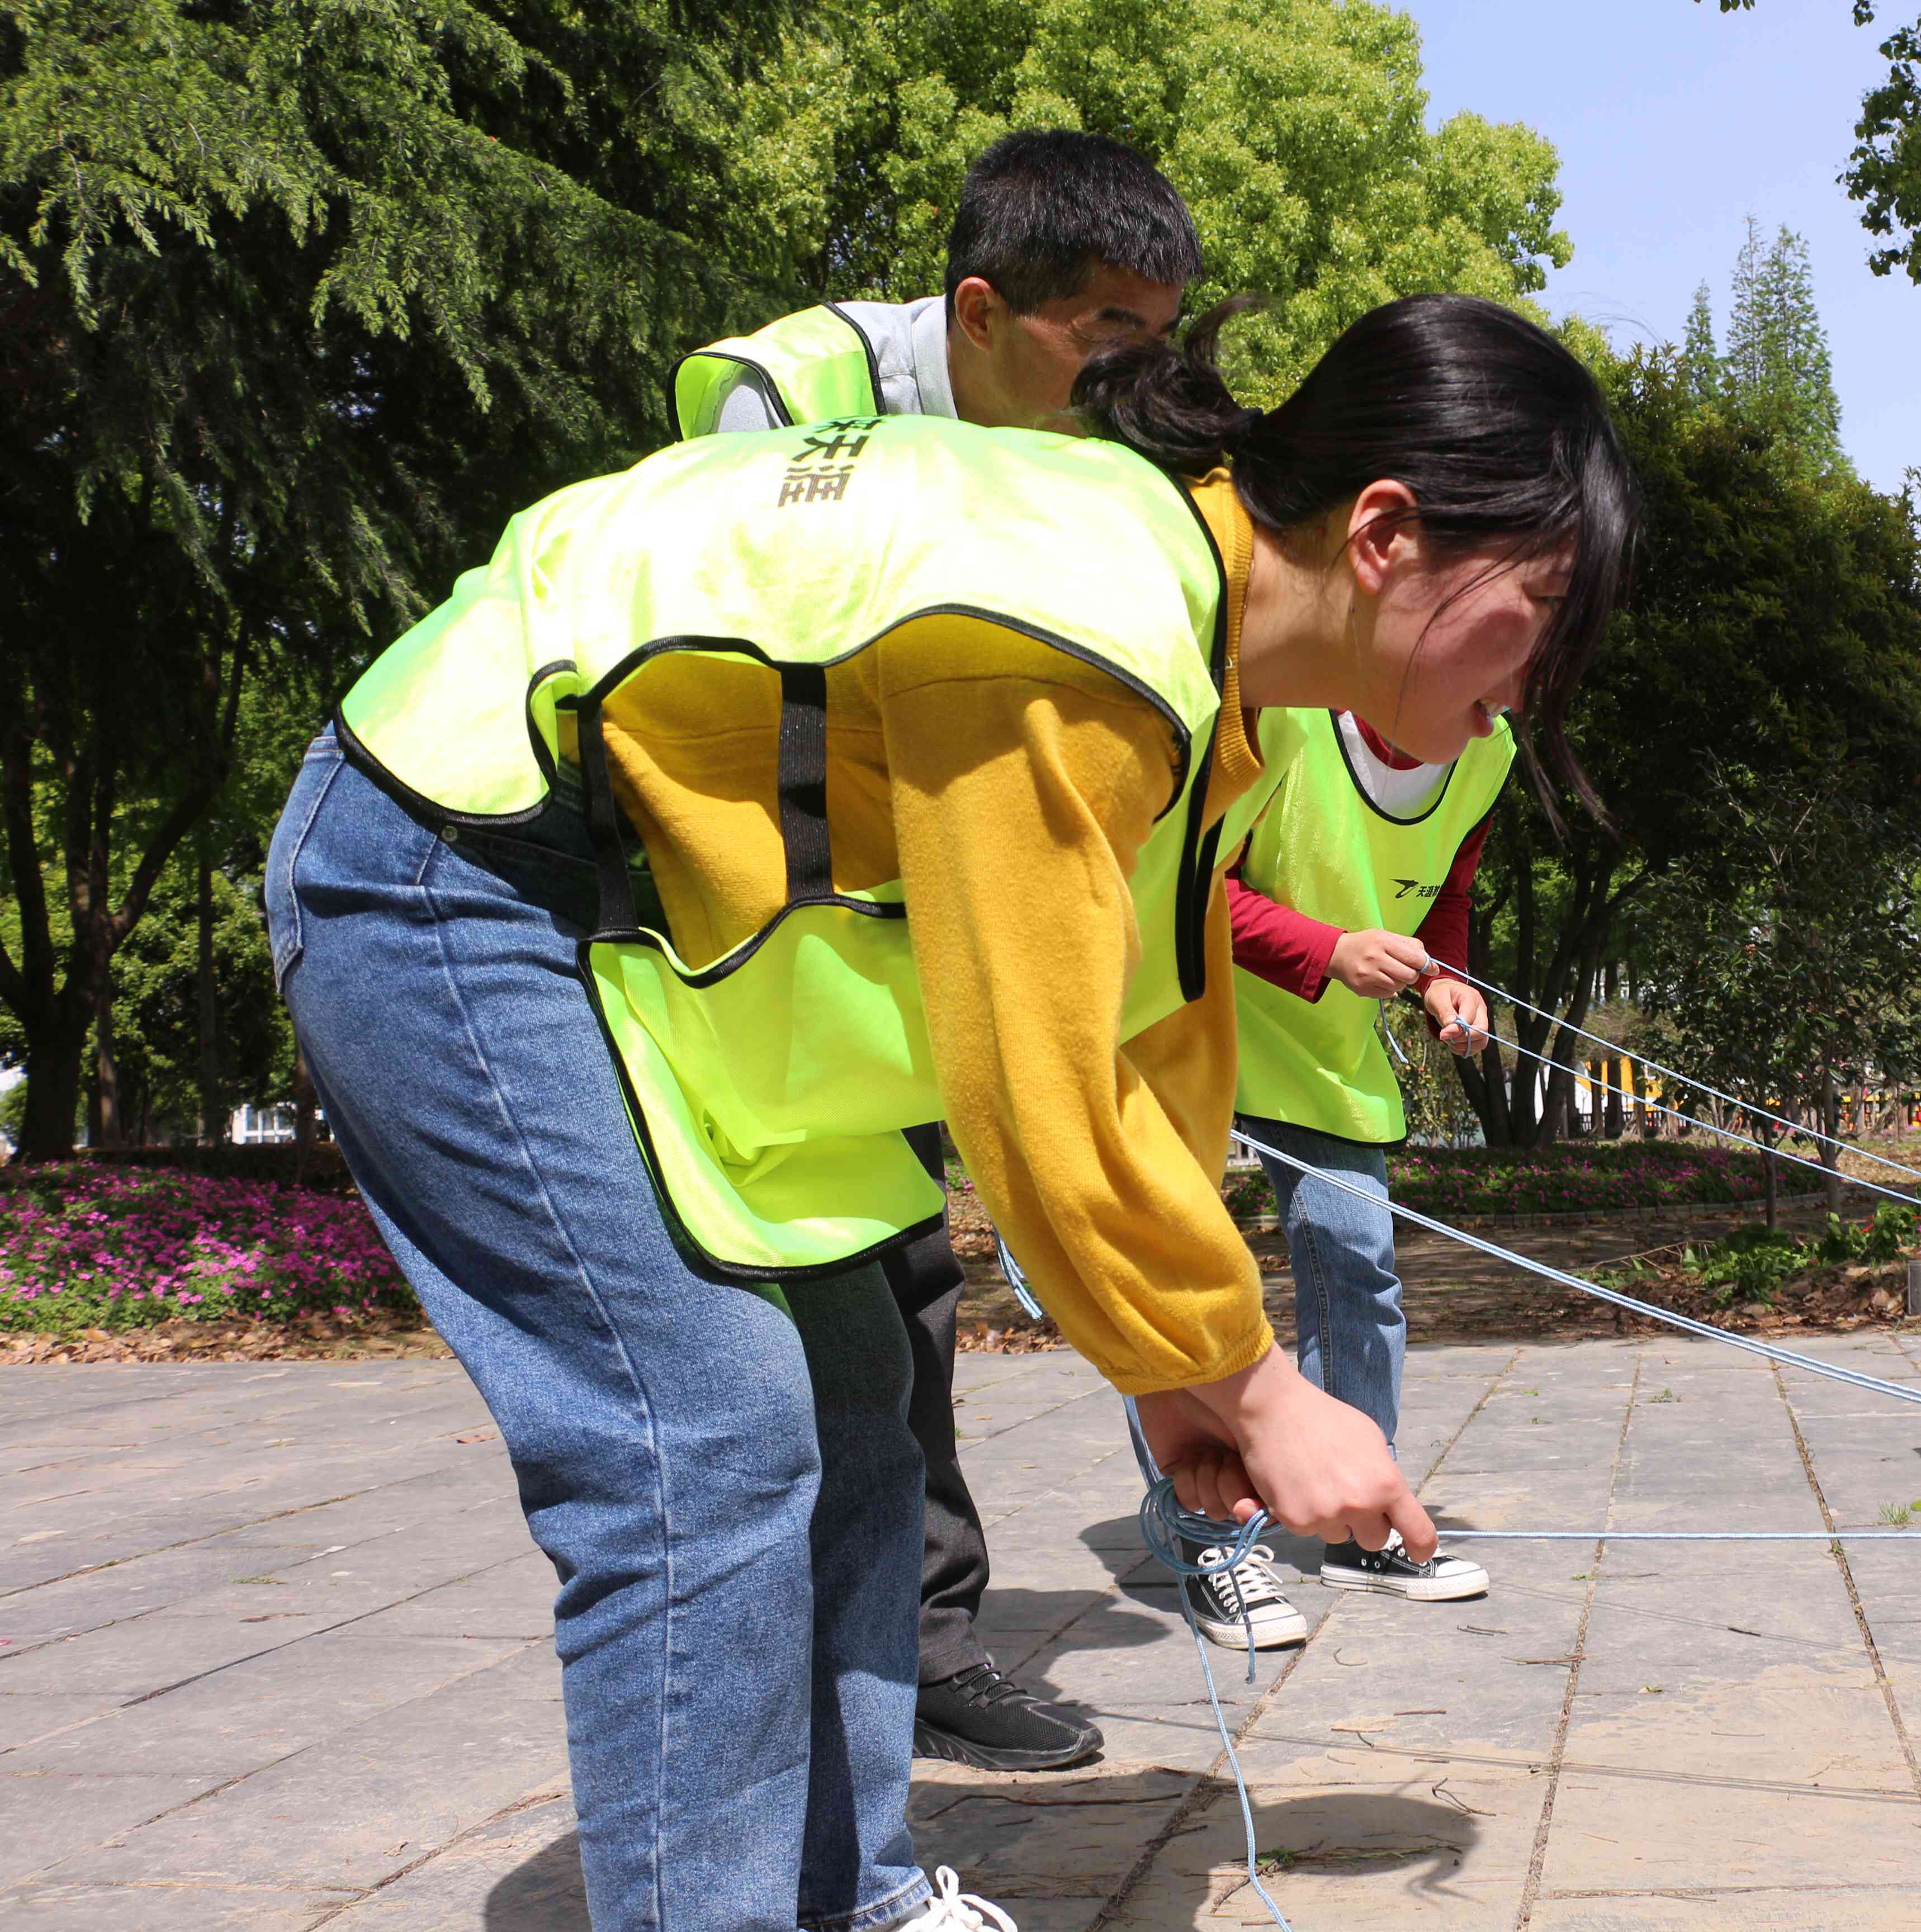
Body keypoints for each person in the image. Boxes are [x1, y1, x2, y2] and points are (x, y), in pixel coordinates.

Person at [268, 291, 1638, 1932]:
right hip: (448, 858)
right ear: (1389, 533)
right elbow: (1035, 1094)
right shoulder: (1087, 625)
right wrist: (1270, 1395)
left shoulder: (1210, 676)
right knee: (703, 1441)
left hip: (610, 888)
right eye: (1543, 614)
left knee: (858, 1402)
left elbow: (1156, 1045)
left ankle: (853, 1895)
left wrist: (1187, 1371)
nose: (1548, 678)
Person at [670, 127, 1197, 1776]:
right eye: (1099, 339)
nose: (1123, 384)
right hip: (723, 904)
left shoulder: (1063, 460)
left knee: (904, 1281)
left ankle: (921, 1641)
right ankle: (803, 1705)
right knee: (784, 1331)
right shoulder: (780, 393)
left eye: (1148, 346)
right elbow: (765, 669)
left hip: (891, 906)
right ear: (980, 307)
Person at [1151, 703, 1509, 1649]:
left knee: (1359, 1272)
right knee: (1183, 1285)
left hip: (1325, 1060)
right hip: (1192, 1030)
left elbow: (1446, 893)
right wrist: (1326, 950)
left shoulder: (1487, 747)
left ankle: (1360, 1520)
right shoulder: (1283, 718)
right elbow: (1175, 883)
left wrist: (1444, 977)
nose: (1495, 703)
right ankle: (1211, 1541)